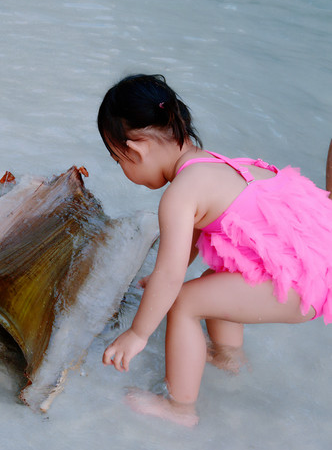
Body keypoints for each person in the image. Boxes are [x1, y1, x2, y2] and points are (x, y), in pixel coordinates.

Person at [98, 74, 332, 427]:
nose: (123, 169)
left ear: (136, 149)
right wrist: (160, 278)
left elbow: (171, 275)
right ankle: (228, 358)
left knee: (184, 302)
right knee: (213, 282)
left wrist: (138, 333)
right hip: (319, 263)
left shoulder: (179, 195)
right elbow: (186, 248)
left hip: (304, 285)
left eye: (119, 161)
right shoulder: (212, 164)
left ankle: (180, 408)